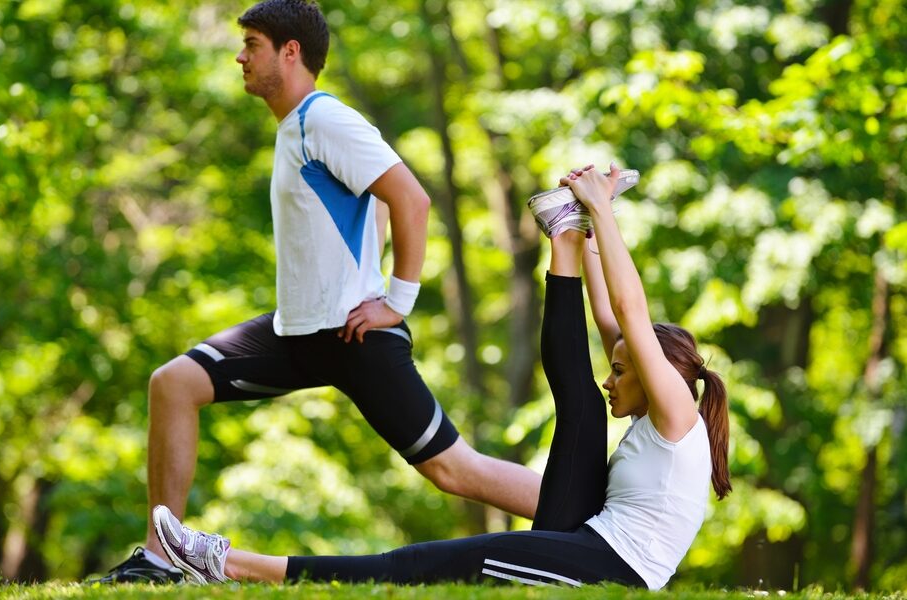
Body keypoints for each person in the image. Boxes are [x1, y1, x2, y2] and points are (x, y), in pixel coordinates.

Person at [95, 0, 547, 583]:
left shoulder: (324, 119)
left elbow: (411, 198)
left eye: (252, 44)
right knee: (174, 383)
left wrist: (393, 302)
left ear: (291, 52)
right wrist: (367, 264)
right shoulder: (293, 129)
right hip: (296, 332)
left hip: (352, 335)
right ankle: (163, 557)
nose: (240, 56)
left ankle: (597, 524)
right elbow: (376, 203)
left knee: (452, 471)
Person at [149, 164, 733, 589]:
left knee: (416, 565)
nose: (613, 378)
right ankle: (562, 234)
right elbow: (611, 320)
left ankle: (224, 563)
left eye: (623, 371)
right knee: (576, 396)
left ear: (662, 378)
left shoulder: (676, 413)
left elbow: (630, 313)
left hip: (613, 567)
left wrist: (605, 208)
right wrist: (585, 237)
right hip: (590, 530)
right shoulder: (659, 403)